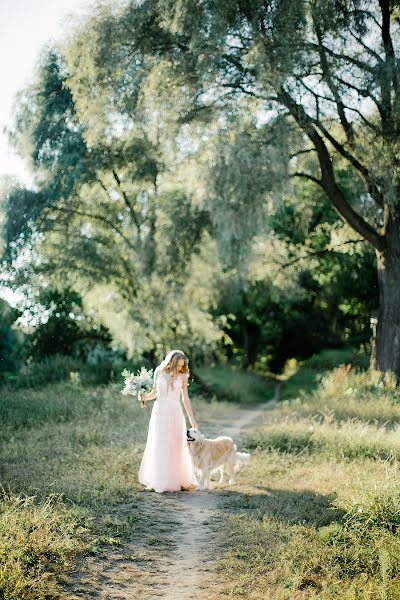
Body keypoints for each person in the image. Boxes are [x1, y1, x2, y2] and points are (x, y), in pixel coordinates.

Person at [138, 349, 199, 493]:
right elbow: (154, 393)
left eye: (182, 365)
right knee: (160, 443)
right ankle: (159, 479)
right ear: (170, 363)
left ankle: (176, 479)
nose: (180, 368)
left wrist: (192, 419)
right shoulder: (159, 372)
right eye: (178, 365)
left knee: (175, 444)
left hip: (175, 412)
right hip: (160, 411)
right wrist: (143, 397)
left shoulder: (183, 375)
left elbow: (185, 398)